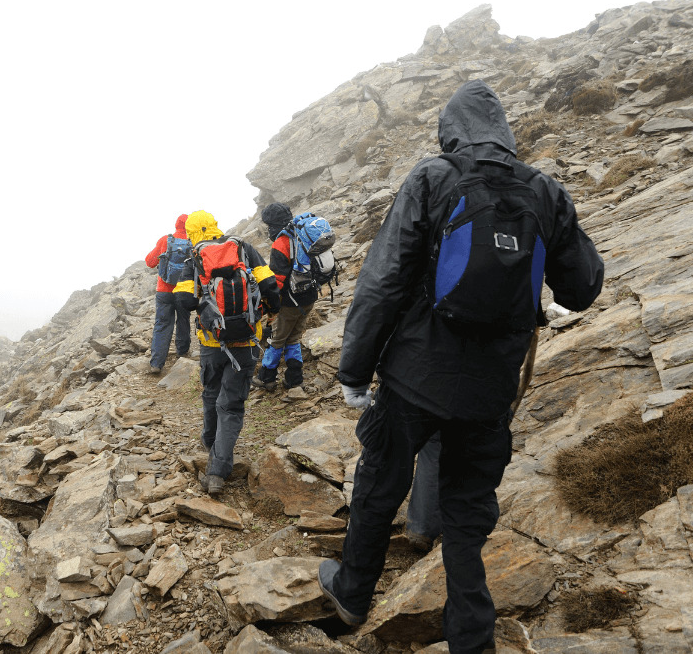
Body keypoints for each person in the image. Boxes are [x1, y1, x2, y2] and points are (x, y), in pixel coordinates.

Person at [320, 80, 604, 654]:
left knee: (380, 485)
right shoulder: (544, 191)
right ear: (504, 132)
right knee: (468, 514)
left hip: (413, 378)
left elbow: (383, 282)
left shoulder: (433, 177)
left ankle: (352, 595)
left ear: (450, 131)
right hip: (490, 389)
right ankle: (470, 639)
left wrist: (354, 371)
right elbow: (583, 289)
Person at [174, 210, 281, 495]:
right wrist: (267, 315)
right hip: (246, 342)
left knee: (211, 393)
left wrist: (208, 310)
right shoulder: (243, 249)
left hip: (212, 344)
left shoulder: (194, 259)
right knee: (231, 406)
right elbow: (270, 285)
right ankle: (218, 470)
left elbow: (184, 300)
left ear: (192, 233)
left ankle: (211, 443)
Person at [253, 202, 318, 391]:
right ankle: (294, 379)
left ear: (272, 224)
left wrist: (269, 305)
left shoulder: (281, 242)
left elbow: (278, 281)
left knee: (277, 339)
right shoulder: (303, 234)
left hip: (290, 301)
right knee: (294, 337)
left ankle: (266, 378)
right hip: (309, 298)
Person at [144, 214, 192, 373]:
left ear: (176, 224)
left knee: (162, 324)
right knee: (184, 320)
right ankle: (182, 352)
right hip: (184, 289)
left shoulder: (165, 240)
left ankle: (156, 363)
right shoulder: (194, 242)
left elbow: (150, 262)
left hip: (164, 290)